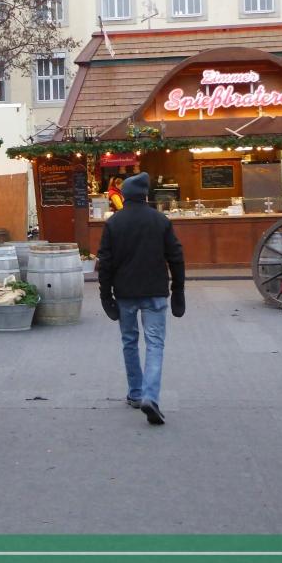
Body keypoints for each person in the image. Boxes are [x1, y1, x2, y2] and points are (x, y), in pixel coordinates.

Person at [96, 172, 185, 427]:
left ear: (123, 194)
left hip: (125, 293)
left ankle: (136, 393)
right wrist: (178, 290)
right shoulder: (160, 220)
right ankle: (150, 396)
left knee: (129, 341)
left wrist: (105, 296)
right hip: (155, 291)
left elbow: (106, 263)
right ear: (146, 194)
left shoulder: (114, 223)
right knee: (155, 343)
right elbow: (176, 257)